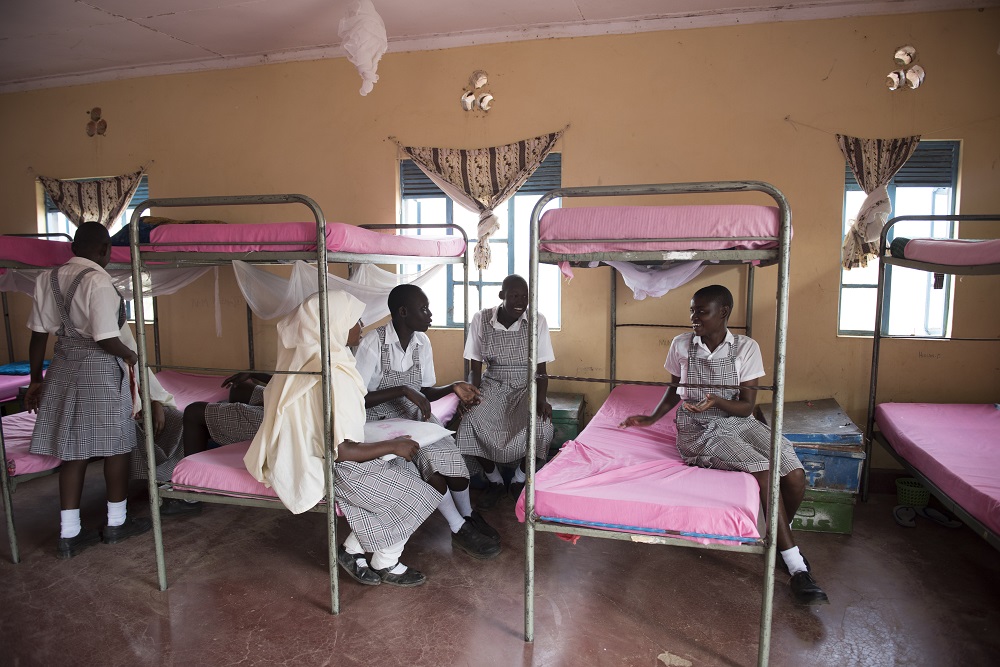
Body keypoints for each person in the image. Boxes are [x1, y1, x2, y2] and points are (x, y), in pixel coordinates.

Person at [619, 284, 829, 606]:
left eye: (701, 311)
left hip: (739, 420)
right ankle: (796, 566)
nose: (694, 317)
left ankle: (776, 539)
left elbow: (746, 406)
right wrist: (650, 418)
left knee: (794, 473)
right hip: (698, 429)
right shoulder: (681, 345)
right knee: (762, 467)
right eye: (692, 310)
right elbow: (674, 389)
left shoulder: (746, 348)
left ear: (724, 313)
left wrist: (717, 399)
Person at [245, 291, 440, 586]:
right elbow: (342, 451)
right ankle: (386, 561)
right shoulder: (333, 374)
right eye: (353, 319)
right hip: (338, 465)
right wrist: (393, 445)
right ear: (334, 324)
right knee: (423, 492)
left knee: (410, 473)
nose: (360, 324)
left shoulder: (311, 361)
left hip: (333, 454)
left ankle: (352, 550)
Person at [24, 222, 151, 559]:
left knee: (73, 449)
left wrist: (37, 379)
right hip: (98, 368)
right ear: (104, 250)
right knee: (118, 446)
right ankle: (116, 523)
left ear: (73, 247)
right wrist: (131, 355)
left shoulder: (46, 279)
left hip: (64, 365)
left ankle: (69, 535)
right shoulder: (99, 282)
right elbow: (106, 338)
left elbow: (38, 335)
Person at [354, 284, 501, 560]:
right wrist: (402, 391)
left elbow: (424, 391)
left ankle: (469, 517)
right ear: (402, 312)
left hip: (414, 415)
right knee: (430, 472)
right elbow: (357, 399)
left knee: (454, 463)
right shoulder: (373, 343)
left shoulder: (422, 343)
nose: (431, 314)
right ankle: (458, 530)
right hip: (378, 421)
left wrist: (453, 387)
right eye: (424, 309)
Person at [455, 275, 554, 509]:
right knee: (469, 421)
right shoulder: (482, 319)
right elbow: (475, 367)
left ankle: (519, 479)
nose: (521, 301)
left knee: (542, 425)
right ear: (502, 296)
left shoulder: (537, 320)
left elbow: (541, 370)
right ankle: (495, 480)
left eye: (525, 296)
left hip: (525, 384)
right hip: (494, 382)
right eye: (514, 295)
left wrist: (541, 399)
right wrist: (472, 394)